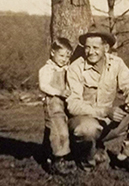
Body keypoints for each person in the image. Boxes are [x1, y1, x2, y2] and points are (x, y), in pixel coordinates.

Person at [66, 24, 129, 174]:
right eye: (87, 47)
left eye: (95, 47)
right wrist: (105, 111)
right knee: (87, 128)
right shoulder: (76, 68)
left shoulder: (116, 63)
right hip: (84, 122)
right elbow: (73, 105)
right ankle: (86, 161)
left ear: (106, 48)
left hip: (109, 124)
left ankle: (127, 157)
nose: (90, 52)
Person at [39, 37, 73, 174]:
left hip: (64, 104)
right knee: (59, 131)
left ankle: (47, 153)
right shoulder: (47, 69)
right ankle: (58, 161)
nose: (64, 59)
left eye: (67, 56)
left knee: (57, 130)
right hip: (53, 103)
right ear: (53, 53)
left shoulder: (67, 68)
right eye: (61, 55)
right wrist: (59, 92)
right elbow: (44, 86)